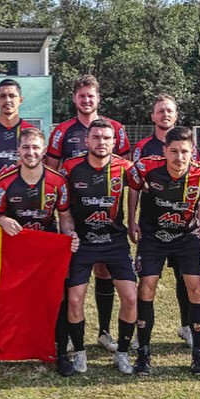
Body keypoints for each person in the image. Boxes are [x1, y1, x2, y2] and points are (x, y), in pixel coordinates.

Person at [127, 127, 200, 376]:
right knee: (146, 287)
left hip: (186, 237)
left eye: (184, 152)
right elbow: (132, 185)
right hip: (153, 237)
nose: (179, 157)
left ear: (193, 153)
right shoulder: (146, 167)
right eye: (173, 151)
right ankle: (143, 353)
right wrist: (131, 220)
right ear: (164, 151)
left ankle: (198, 356)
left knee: (196, 289)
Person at [47, 74, 131, 354]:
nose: (86, 100)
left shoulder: (116, 128)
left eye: (91, 96)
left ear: (98, 98)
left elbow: (127, 173)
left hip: (110, 223)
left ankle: (105, 332)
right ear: (75, 98)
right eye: (81, 96)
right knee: (72, 285)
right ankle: (71, 335)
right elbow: (52, 174)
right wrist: (64, 222)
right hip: (77, 223)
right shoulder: (62, 131)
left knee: (106, 272)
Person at [0, 127, 79, 375]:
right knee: (7, 299)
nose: (31, 152)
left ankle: (60, 352)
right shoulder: (4, 181)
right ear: (18, 150)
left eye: (35, 147)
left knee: (56, 299)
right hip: (15, 250)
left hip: (46, 252)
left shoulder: (57, 182)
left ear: (44, 151)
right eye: (26, 147)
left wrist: (69, 236)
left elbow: (66, 217)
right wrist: (2, 220)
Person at [61, 118, 138, 376]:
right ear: (87, 140)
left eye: (107, 138)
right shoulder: (70, 168)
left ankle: (122, 353)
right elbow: (63, 207)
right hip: (82, 243)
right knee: (74, 299)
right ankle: (80, 352)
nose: (101, 142)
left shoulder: (125, 167)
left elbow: (149, 185)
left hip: (114, 242)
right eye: (96, 137)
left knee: (130, 297)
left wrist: (136, 221)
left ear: (114, 142)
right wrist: (69, 230)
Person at [128, 94, 197, 348]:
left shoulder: (186, 143)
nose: (165, 115)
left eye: (169, 111)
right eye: (160, 111)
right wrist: (132, 219)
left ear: (175, 115)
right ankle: (140, 332)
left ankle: (187, 326)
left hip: (182, 226)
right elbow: (134, 185)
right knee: (147, 280)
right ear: (152, 116)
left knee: (185, 277)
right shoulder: (143, 148)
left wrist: (199, 220)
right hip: (152, 226)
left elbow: (196, 184)